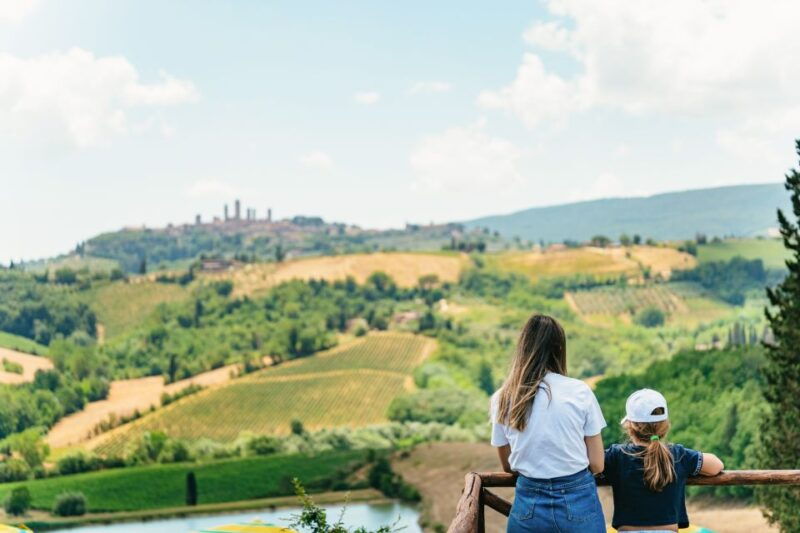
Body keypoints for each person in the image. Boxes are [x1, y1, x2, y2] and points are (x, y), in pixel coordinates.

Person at [491, 314, 607, 533]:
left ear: (523, 347)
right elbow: (597, 464)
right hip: (578, 502)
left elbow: (507, 465)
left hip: (528, 505)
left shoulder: (503, 397)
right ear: (559, 349)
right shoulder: (580, 391)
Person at [603, 389, 725, 532]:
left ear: (630, 427)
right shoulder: (678, 454)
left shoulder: (617, 455)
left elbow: (592, 464)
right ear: (665, 426)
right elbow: (717, 465)